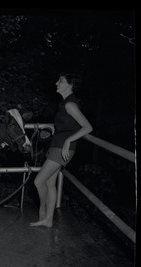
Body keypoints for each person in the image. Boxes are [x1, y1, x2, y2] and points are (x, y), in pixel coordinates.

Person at [30, 73, 93, 227]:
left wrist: (69, 140)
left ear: (70, 85)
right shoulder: (64, 103)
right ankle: (49, 220)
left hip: (62, 148)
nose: (56, 82)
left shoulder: (70, 104)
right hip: (56, 146)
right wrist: (52, 128)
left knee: (39, 181)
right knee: (51, 183)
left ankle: (42, 213)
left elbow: (87, 127)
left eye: (61, 81)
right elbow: (67, 126)